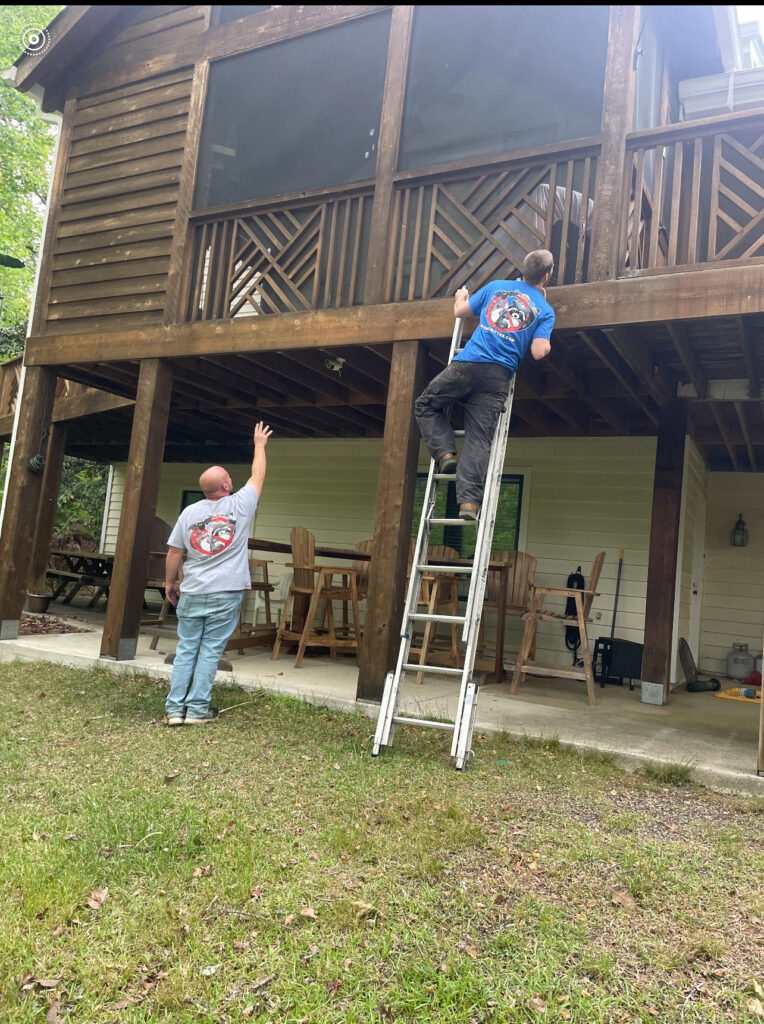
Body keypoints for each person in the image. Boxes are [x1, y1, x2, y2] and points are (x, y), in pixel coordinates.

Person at [414, 249, 555, 521]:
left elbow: (460, 312)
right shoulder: (545, 310)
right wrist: (544, 342)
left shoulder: (497, 287)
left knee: (426, 404)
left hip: (467, 366)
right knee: (479, 439)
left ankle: (444, 453)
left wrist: (461, 296)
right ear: (546, 277)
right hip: (497, 378)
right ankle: (468, 503)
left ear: (523, 270)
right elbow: (539, 351)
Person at [163, 421, 273, 725]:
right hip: (226, 592)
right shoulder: (240, 505)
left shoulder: (189, 513)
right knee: (210, 651)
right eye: (228, 477)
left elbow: (175, 552)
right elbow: (258, 474)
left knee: (187, 648)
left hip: (193, 590)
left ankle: (175, 711)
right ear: (225, 486)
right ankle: (197, 710)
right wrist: (259, 445)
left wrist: (170, 582)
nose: (232, 480)